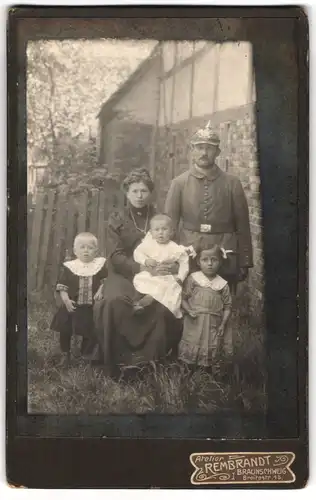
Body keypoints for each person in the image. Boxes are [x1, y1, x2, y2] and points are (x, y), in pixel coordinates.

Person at [93, 168, 182, 377]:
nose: (139, 196)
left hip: (156, 275)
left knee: (159, 305)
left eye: (144, 191)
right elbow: (115, 255)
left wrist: (166, 266)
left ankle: (147, 361)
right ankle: (117, 361)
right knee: (114, 301)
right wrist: (141, 267)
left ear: (150, 193)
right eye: (135, 191)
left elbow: (173, 247)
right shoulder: (117, 218)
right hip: (124, 273)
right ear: (127, 192)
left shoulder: (160, 218)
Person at [164, 121, 253, 292]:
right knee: (191, 299)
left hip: (224, 250)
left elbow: (242, 225)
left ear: (217, 152)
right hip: (190, 250)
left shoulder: (232, 183)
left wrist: (245, 260)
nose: (204, 152)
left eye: (209, 148)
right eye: (199, 147)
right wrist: (171, 257)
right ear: (192, 151)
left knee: (223, 302)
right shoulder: (179, 183)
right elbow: (170, 226)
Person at [50, 232, 107, 366]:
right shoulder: (70, 267)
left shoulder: (99, 266)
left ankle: (86, 355)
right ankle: (65, 353)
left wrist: (100, 290)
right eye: (82, 247)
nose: (86, 251)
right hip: (72, 306)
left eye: (90, 248)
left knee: (89, 331)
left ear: (96, 251)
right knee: (65, 329)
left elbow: (105, 281)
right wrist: (66, 301)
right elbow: (62, 287)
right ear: (75, 251)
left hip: (90, 306)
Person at [178, 243, 232, 371]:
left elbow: (228, 306)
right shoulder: (193, 279)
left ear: (220, 262)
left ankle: (207, 371)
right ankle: (187, 369)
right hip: (194, 320)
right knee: (192, 341)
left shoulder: (222, 284)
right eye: (205, 260)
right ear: (198, 261)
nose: (209, 264)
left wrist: (223, 323)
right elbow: (183, 298)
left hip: (214, 322)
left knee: (211, 343)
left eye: (214, 260)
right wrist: (189, 310)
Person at [132, 213, 195, 318]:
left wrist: (180, 277)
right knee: (142, 279)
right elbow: (137, 253)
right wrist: (146, 260)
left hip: (166, 276)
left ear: (171, 232)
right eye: (156, 230)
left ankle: (150, 300)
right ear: (151, 233)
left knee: (168, 287)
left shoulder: (175, 248)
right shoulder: (148, 245)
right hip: (151, 274)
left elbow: (184, 262)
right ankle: (138, 302)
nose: (160, 233)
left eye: (164, 229)